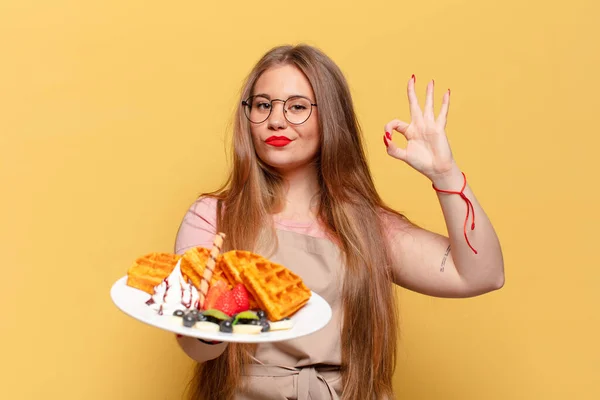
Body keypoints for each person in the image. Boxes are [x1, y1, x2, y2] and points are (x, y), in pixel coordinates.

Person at [173, 44, 504, 400]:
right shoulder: (214, 217)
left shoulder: (368, 227)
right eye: (263, 104)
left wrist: (445, 173)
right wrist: (206, 322)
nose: (276, 119)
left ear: (330, 117)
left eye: (298, 106)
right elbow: (197, 347)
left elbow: (481, 274)